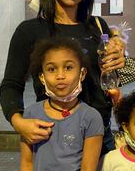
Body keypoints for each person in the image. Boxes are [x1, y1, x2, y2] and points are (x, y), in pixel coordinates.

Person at [0, 0, 135, 157]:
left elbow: (107, 76)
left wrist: (119, 59)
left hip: (100, 137)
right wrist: (19, 122)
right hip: (54, 137)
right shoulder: (30, 31)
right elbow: (11, 84)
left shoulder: (97, 26)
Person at [20, 37, 104, 171]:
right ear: (42, 77)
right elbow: (27, 163)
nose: (60, 76)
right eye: (52, 69)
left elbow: (88, 168)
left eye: (68, 67)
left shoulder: (91, 117)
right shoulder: (31, 114)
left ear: (82, 74)